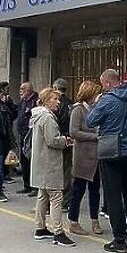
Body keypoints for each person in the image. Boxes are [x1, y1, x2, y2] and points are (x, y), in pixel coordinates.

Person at [87, 69, 127, 253]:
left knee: (113, 195)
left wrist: (96, 104)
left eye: (103, 84)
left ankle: (119, 240)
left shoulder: (107, 100)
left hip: (111, 152)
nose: (102, 87)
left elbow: (90, 120)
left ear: (108, 83)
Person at [30, 87, 75, 247]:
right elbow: (52, 140)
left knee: (43, 195)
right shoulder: (47, 118)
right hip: (49, 162)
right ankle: (58, 232)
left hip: (41, 161)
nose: (58, 102)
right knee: (56, 196)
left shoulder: (37, 115)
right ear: (47, 100)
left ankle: (40, 227)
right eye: (55, 99)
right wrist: (65, 140)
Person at [67, 80, 102, 236]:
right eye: (94, 93)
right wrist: (94, 136)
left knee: (95, 190)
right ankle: (73, 221)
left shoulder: (96, 109)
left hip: (96, 156)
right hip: (82, 155)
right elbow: (74, 132)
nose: (96, 96)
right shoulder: (78, 110)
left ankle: (95, 220)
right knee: (78, 190)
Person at [53, 78, 73, 210]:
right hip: (68, 139)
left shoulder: (55, 103)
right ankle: (66, 199)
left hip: (58, 139)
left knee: (56, 171)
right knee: (66, 170)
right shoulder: (71, 103)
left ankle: (58, 200)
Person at [16, 82, 39, 196]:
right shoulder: (22, 101)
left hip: (31, 135)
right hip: (22, 134)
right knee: (24, 160)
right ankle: (27, 185)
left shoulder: (36, 101)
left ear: (29, 90)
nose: (20, 91)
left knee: (32, 160)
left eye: (23, 89)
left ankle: (35, 186)